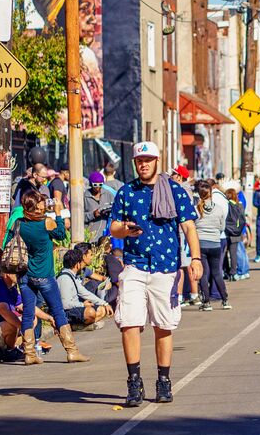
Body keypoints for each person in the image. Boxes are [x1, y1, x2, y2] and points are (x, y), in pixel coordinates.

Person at [109, 140, 203, 407]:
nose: (144, 165)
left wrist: (195, 258)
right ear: (135, 163)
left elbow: (188, 227)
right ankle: (134, 382)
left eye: (148, 160)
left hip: (165, 267)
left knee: (163, 325)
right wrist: (125, 230)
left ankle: (163, 380)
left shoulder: (174, 191)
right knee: (129, 322)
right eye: (139, 161)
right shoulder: (127, 192)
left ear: (156, 161)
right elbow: (114, 227)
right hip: (135, 265)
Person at [10, 190, 88, 364]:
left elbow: (8, 240)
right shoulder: (47, 222)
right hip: (44, 275)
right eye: (41, 202)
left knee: (28, 314)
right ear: (36, 206)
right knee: (58, 311)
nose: (44, 203)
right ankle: (72, 351)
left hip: (24, 275)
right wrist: (59, 213)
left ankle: (29, 354)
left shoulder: (18, 223)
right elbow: (62, 235)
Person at [0, 265, 53, 363]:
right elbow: (5, 312)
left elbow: (28, 307)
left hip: (0, 330)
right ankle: (11, 350)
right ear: (7, 274)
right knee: (12, 325)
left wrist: (50, 318)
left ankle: (22, 345)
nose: (20, 276)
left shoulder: (12, 289)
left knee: (32, 317)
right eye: (17, 273)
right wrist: (25, 330)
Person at [195, 180, 230, 311]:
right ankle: (225, 300)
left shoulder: (196, 210)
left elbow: (193, 226)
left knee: (203, 274)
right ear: (211, 194)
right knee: (217, 272)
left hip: (201, 244)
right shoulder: (219, 209)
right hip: (215, 243)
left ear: (199, 195)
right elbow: (222, 227)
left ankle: (206, 302)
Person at [57, 248, 114, 327]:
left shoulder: (73, 276)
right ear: (77, 264)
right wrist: (83, 305)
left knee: (102, 309)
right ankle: (75, 326)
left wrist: (105, 303)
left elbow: (85, 293)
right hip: (67, 312)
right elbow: (65, 304)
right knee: (90, 312)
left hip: (76, 308)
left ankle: (81, 326)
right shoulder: (64, 279)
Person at [83, 171, 115, 239]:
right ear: (90, 184)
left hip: (106, 235)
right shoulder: (84, 196)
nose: (97, 187)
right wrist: (93, 214)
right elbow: (78, 218)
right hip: (90, 236)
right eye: (95, 185)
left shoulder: (109, 194)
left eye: (100, 184)